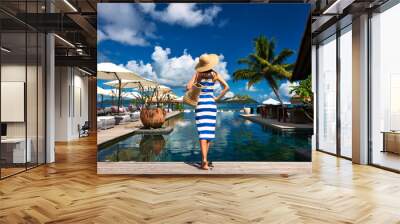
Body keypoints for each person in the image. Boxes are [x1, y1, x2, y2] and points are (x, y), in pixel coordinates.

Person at [186, 53, 230, 170]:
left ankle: (204, 161)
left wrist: (196, 78)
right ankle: (204, 160)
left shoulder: (198, 74)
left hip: (201, 104)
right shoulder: (214, 74)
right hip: (211, 105)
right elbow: (227, 87)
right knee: (208, 133)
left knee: (202, 132)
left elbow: (188, 87)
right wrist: (217, 98)